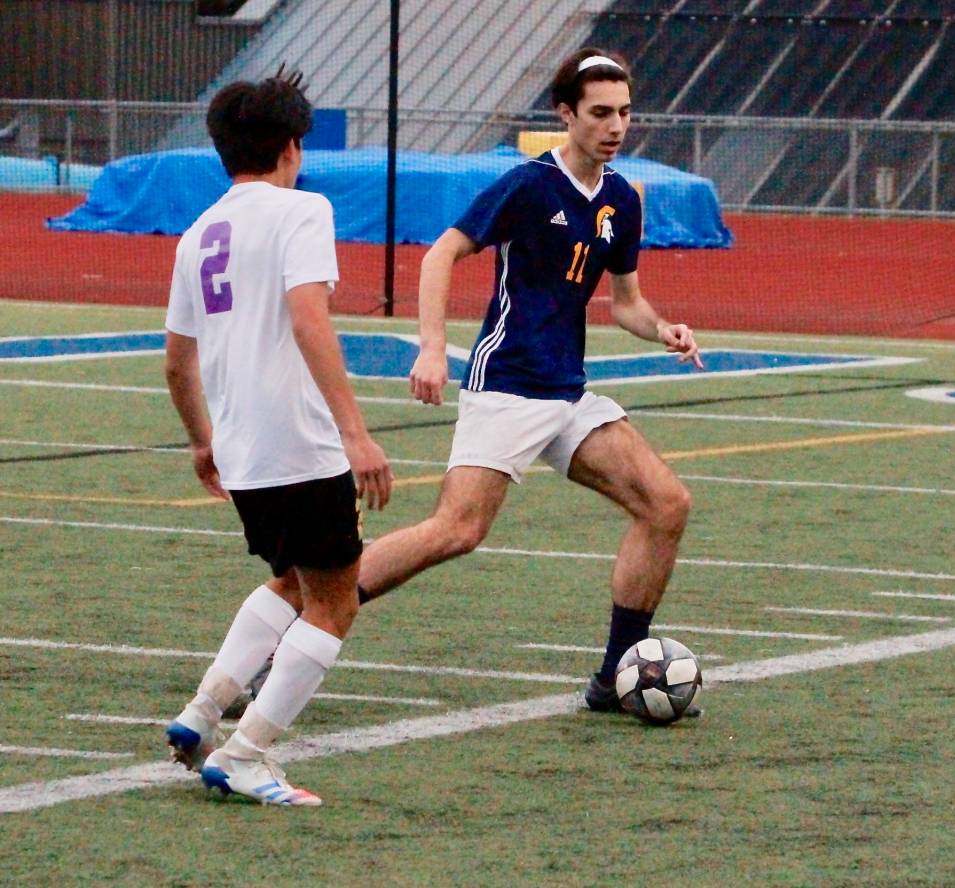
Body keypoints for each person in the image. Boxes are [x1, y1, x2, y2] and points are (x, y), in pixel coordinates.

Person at [354, 47, 703, 713]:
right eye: (600, 113)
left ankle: (612, 679)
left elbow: (625, 301)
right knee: (456, 531)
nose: (615, 126)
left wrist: (662, 330)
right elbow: (441, 253)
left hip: (566, 393)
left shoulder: (624, 199)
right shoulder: (526, 185)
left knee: (667, 504)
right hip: (508, 385)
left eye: (625, 113)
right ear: (566, 113)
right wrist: (432, 348)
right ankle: (294, 634)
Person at [162, 68, 392, 807]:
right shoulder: (302, 210)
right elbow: (307, 318)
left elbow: (176, 362)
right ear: (293, 146)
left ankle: (201, 713)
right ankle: (247, 752)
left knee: (293, 582)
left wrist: (202, 442)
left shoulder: (198, 233)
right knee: (335, 601)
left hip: (241, 449)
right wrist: (356, 435)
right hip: (297, 441)